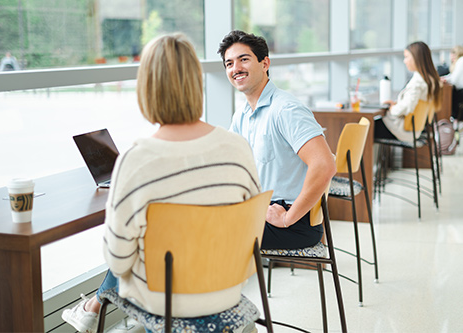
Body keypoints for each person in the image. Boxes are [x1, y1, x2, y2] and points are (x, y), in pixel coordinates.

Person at [62, 33, 261, 333]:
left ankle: (98, 315)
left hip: (164, 304)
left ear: (147, 88)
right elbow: (252, 233)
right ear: (197, 84)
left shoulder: (136, 161)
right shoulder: (238, 147)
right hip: (226, 292)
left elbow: (117, 262)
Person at [217, 30, 336, 251]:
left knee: (206, 234)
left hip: (292, 224)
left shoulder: (285, 109)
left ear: (265, 63)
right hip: (261, 211)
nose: (236, 69)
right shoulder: (242, 115)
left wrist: (288, 218)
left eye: (244, 59)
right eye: (229, 64)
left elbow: (325, 164)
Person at [375, 41, 442, 142]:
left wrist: (392, 108)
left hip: (405, 131)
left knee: (367, 127)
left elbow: (407, 107)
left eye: (406, 57)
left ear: (416, 58)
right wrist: (397, 103)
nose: (404, 61)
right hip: (416, 130)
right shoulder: (431, 80)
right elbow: (413, 103)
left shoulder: (418, 82)